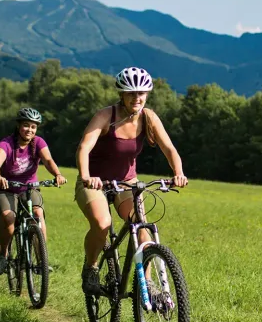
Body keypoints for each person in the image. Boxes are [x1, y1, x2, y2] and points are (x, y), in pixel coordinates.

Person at [75, 67, 188, 295]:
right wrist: (87, 176)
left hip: (127, 182)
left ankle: (145, 283)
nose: (137, 98)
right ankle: (91, 267)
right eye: (131, 93)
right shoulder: (106, 116)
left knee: (141, 227)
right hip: (95, 182)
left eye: (141, 94)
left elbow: (169, 148)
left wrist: (178, 172)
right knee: (102, 223)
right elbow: (84, 147)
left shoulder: (149, 117)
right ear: (122, 95)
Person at [0, 108, 67, 276]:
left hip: (29, 187)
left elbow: (47, 160)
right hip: (7, 189)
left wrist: (57, 174)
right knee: (9, 217)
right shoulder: (6, 144)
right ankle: (3, 254)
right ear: (18, 126)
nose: (29, 130)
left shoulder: (38, 142)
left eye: (33, 127)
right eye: (26, 125)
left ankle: (41, 261)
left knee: (37, 215)